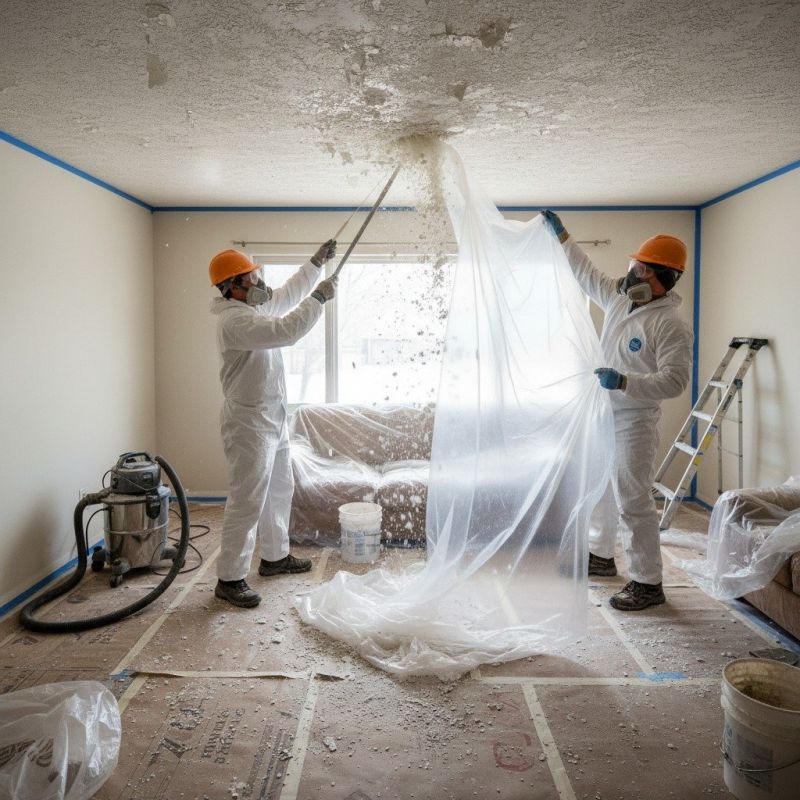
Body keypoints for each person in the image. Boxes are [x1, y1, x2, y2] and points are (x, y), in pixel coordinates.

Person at [543, 211, 693, 611]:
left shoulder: (670, 326)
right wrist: (562, 237)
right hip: (603, 414)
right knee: (601, 490)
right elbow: (583, 271)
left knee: (633, 499)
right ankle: (601, 555)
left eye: (642, 271)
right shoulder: (617, 297)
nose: (633, 277)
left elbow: (676, 382)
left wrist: (626, 382)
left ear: (664, 279)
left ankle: (647, 581)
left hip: (635, 422)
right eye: (633, 267)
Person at [208, 242, 338, 607]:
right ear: (233, 286)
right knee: (247, 499)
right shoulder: (235, 321)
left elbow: (285, 296)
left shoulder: (252, 306)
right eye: (252, 277)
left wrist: (314, 265)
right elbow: (287, 331)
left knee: (280, 487)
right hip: (249, 421)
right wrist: (319, 300)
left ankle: (275, 557)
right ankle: (230, 578)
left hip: (272, 416)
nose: (260, 281)